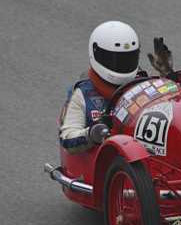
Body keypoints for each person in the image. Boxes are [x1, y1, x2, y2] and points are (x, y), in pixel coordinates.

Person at [59, 21, 142, 153]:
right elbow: (67, 137)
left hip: (141, 157)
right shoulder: (82, 94)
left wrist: (168, 76)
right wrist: (93, 133)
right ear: (96, 53)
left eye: (127, 59)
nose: (121, 65)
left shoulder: (141, 84)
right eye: (115, 59)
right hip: (102, 164)